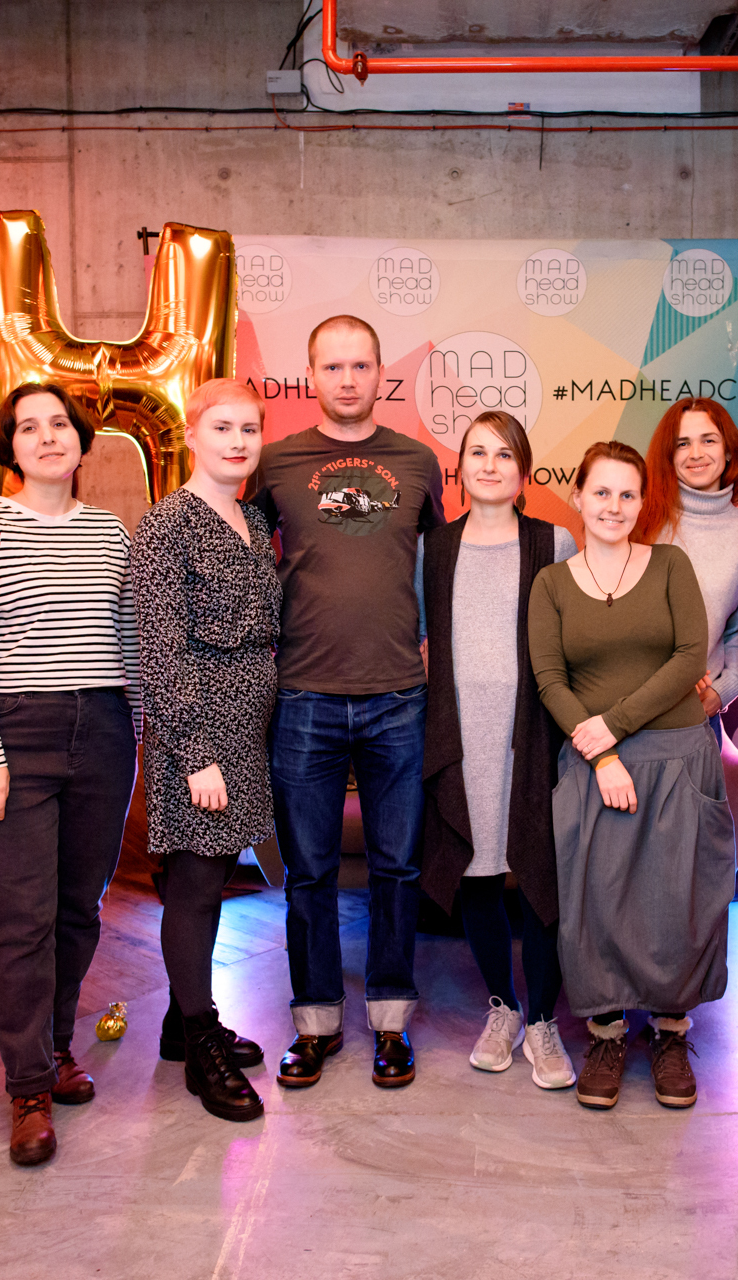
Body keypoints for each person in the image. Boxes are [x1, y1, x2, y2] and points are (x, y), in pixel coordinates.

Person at [0, 383, 142, 1167]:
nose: (48, 436)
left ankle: (56, 1048)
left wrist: (138, 733)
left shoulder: (107, 531)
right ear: (11, 448)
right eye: (29, 427)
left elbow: (127, 640)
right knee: (20, 920)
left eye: (60, 423)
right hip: (13, 734)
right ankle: (27, 1087)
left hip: (103, 732)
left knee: (77, 910)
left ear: (82, 441)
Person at [250, 314, 445, 1090]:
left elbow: (445, 569)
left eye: (360, 365)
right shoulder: (274, 463)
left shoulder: (418, 462)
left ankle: (391, 1021)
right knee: (308, 872)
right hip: (304, 695)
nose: (347, 379)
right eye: (331, 367)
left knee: (397, 868)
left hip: (399, 695)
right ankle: (315, 1023)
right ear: (311, 376)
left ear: (379, 375)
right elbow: (241, 560)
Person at [528, 441, 735, 1111]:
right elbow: (549, 679)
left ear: (642, 502)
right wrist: (602, 756)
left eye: (627, 494)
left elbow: (689, 658)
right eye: (601, 492)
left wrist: (612, 727)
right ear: (578, 497)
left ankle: (671, 1033)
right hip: (596, 767)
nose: (613, 506)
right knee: (599, 903)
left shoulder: (670, 565)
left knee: (679, 900)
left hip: (677, 757)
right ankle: (607, 1035)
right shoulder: (552, 584)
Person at [130, 377, 281, 1122]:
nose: (237, 441)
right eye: (221, 427)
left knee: (215, 875)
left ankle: (180, 1021)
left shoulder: (251, 516)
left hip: (247, 730)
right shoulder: (166, 525)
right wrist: (196, 753)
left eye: (249, 429)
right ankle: (200, 1048)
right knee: (193, 886)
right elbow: (159, 649)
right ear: (190, 435)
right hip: (200, 731)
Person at [416, 410, 579, 1090]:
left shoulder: (554, 542)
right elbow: (418, 638)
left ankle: (541, 1021)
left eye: (504, 454)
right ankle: (503, 1007)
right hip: (461, 738)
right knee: (477, 871)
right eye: (477, 453)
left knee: (541, 875)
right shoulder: (433, 549)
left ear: (524, 471)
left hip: (535, 737)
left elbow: (574, 641)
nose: (489, 465)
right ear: (459, 467)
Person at [636, 398, 738, 727]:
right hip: (629, 706)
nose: (696, 453)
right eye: (682, 444)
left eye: (708, 440)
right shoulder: (640, 522)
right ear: (668, 455)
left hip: (698, 715)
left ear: (729, 451)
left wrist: (721, 691)